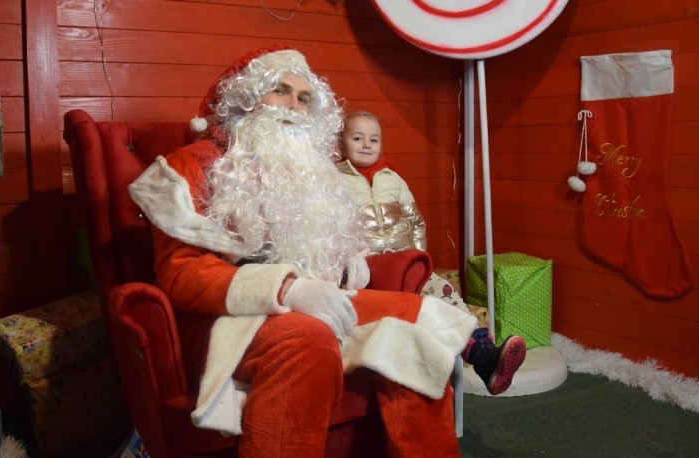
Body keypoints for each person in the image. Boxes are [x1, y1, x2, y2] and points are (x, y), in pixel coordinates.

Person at [129, 45, 477, 457]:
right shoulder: (190, 166)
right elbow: (180, 274)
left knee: (414, 324)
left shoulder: (312, 171)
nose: (294, 105)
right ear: (247, 97)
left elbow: (327, 247)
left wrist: (346, 258)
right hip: (228, 318)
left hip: (316, 302)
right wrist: (286, 290)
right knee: (306, 338)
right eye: (280, 91)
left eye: (304, 97)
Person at [337, 110, 527, 395]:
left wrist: (419, 259)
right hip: (365, 270)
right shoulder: (335, 181)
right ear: (342, 143)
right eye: (357, 138)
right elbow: (329, 228)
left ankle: (485, 357)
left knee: (444, 290)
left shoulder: (394, 180)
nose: (367, 144)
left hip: (405, 263)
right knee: (413, 309)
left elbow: (415, 222)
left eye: (373, 139)